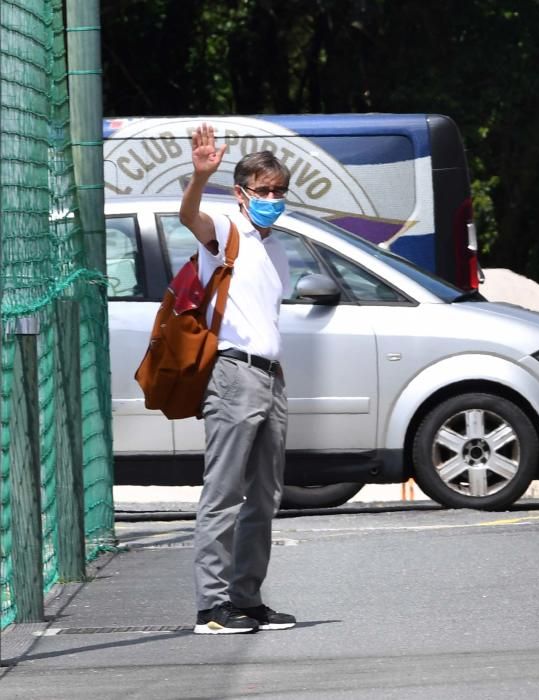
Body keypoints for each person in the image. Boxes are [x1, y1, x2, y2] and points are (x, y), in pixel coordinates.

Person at [180, 124, 296, 633]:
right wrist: (198, 177)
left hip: (271, 377)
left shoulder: (276, 248)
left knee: (265, 494)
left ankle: (246, 598)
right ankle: (211, 605)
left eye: (278, 191)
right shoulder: (226, 231)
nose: (271, 199)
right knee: (224, 491)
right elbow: (189, 217)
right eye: (262, 191)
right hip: (233, 372)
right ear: (242, 192)